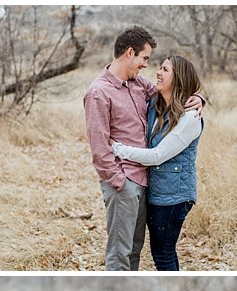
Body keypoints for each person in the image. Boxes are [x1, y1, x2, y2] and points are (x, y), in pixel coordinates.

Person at [83, 27, 203, 271]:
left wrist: (200, 98)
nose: (147, 65)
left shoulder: (138, 85)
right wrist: (119, 182)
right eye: (145, 58)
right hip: (123, 183)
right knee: (119, 254)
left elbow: (176, 90)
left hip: (146, 181)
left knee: (135, 250)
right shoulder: (98, 93)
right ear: (130, 53)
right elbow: (99, 146)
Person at [112, 54, 204, 271]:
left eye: (165, 69)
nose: (158, 73)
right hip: (158, 193)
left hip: (175, 197)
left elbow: (157, 156)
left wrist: (117, 149)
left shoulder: (190, 118)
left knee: (162, 254)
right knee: (164, 252)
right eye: (160, 68)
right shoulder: (156, 103)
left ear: (178, 77)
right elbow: (129, 80)